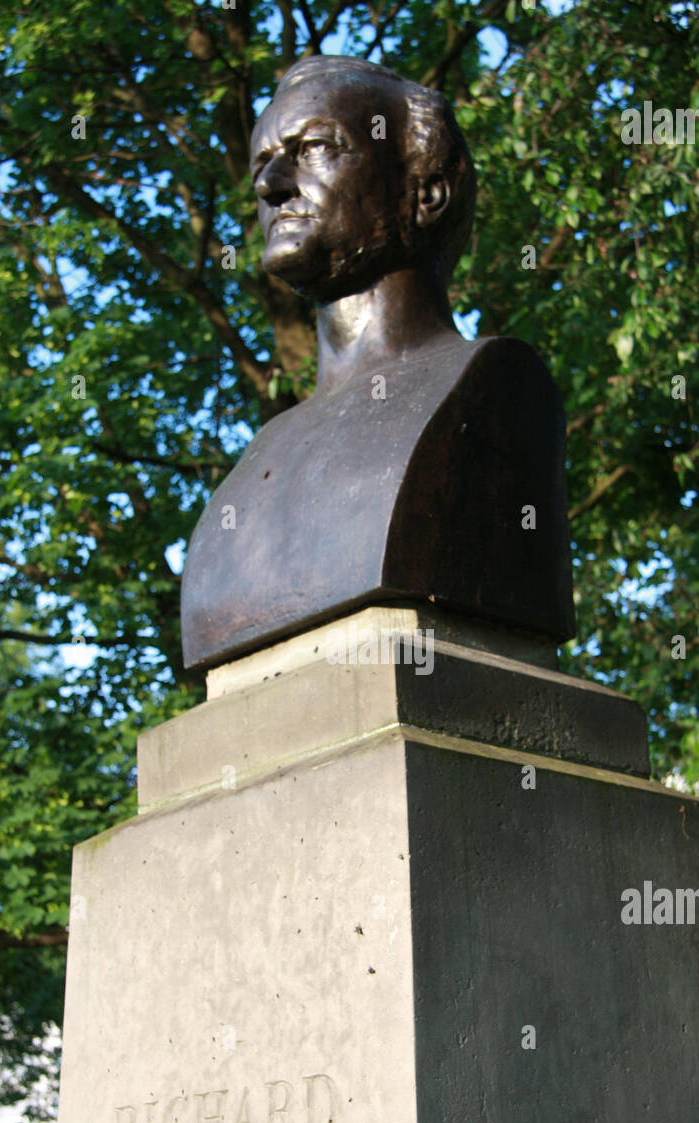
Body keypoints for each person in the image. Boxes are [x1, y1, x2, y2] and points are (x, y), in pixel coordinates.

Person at [181, 57, 574, 671]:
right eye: (262, 164)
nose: (270, 185)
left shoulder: (494, 391)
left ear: (426, 193)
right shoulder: (259, 456)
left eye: (312, 148)